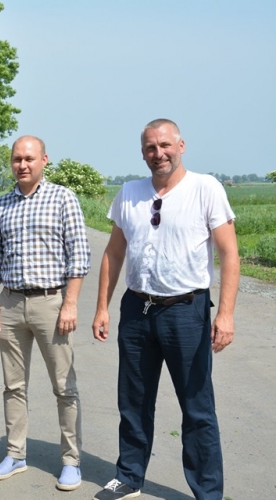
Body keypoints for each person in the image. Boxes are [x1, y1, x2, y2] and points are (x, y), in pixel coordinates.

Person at [91, 119, 239, 500]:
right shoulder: (129, 192)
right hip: (137, 309)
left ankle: (208, 491)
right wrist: (102, 308)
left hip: (185, 311)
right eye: (150, 148)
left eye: (164, 145)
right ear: (143, 153)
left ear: (181, 145)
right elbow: (114, 252)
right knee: (134, 399)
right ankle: (129, 476)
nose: (158, 154)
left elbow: (229, 254)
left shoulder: (205, 188)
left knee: (197, 405)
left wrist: (225, 314)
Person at [0, 136, 91, 489]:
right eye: (16, 159)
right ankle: (15, 454)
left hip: (51, 303)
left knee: (64, 386)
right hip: (10, 304)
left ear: (44, 160)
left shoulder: (63, 198)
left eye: (29, 158)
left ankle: (71, 461)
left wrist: (70, 304)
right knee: (13, 385)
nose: (22, 165)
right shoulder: (1, 206)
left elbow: (79, 256)